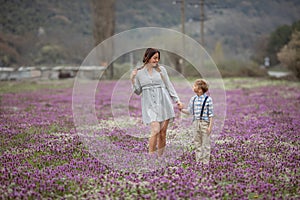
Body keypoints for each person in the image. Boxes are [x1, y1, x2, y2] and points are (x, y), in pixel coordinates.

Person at [130, 48, 183, 156]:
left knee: (162, 133)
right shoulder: (139, 73)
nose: (156, 60)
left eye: (158, 58)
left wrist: (177, 100)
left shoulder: (161, 70)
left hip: (164, 103)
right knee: (155, 130)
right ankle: (151, 158)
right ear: (147, 58)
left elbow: (169, 85)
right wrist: (132, 79)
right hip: (149, 106)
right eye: (154, 58)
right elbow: (137, 91)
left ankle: (160, 158)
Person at [181, 79, 214, 164]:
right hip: (195, 123)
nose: (193, 87)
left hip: (204, 123)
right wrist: (181, 110)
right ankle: (199, 162)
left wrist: (210, 127)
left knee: (206, 144)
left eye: (195, 86)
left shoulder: (208, 99)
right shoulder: (193, 99)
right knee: (197, 143)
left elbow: (211, 115)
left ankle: (205, 162)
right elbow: (190, 111)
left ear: (200, 89)